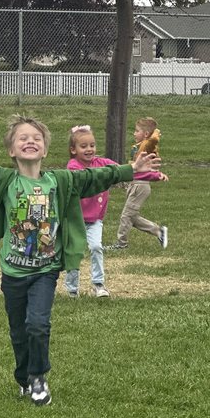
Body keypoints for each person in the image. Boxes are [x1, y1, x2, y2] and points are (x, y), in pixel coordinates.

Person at [0, 115, 161, 407]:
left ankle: (39, 376)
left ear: (46, 150)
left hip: (45, 271)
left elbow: (95, 178)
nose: (30, 141)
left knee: (37, 324)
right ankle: (24, 377)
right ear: (12, 151)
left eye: (36, 138)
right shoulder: (1, 181)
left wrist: (130, 170)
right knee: (19, 331)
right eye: (23, 138)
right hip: (13, 272)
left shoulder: (61, 181)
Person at [64, 125, 115, 299]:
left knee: (96, 247)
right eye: (83, 146)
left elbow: (120, 171)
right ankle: (72, 289)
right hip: (75, 220)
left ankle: (99, 284)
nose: (89, 149)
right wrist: (102, 175)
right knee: (74, 252)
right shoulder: (73, 166)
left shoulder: (102, 163)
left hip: (94, 219)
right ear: (73, 150)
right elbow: (84, 178)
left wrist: (147, 173)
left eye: (92, 145)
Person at [106, 117, 169, 251]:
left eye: (137, 131)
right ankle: (159, 231)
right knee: (132, 217)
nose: (134, 134)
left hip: (140, 186)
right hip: (135, 184)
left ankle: (121, 244)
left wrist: (155, 132)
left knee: (126, 216)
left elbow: (153, 140)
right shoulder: (139, 146)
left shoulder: (147, 145)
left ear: (146, 134)